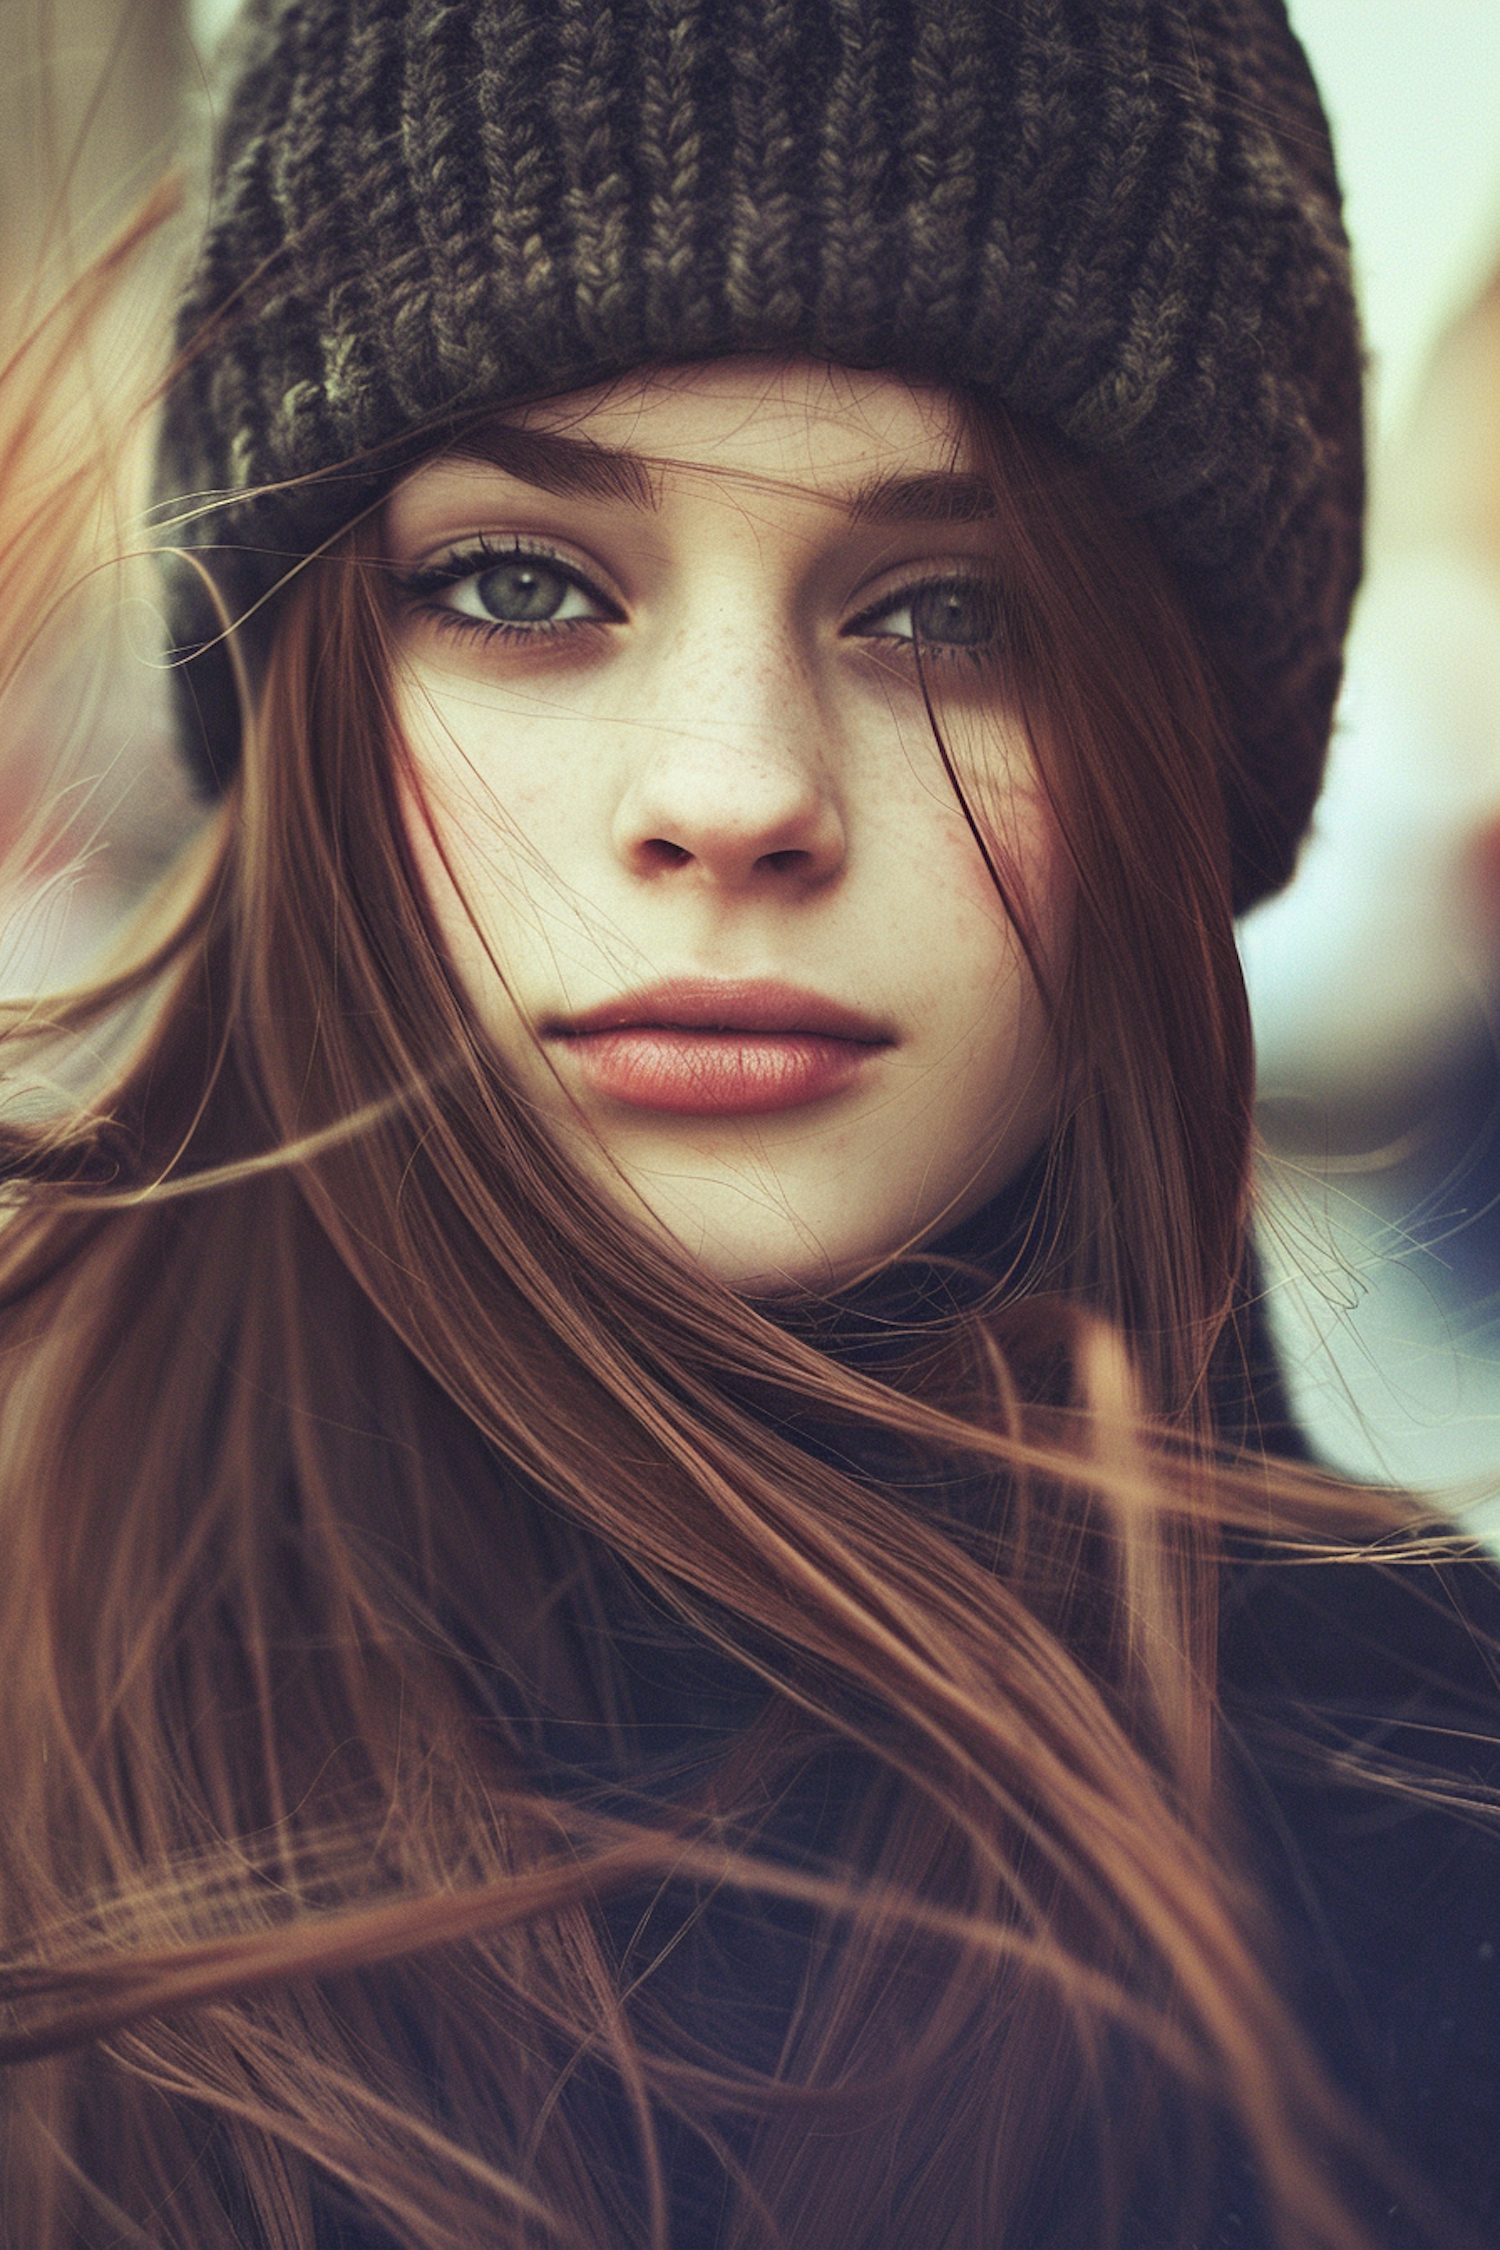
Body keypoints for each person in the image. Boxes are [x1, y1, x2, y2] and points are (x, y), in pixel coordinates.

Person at [0, 3, 1496, 2247]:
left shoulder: (1439, 1844)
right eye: (520, 585)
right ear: (297, 671)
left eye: (947, 613)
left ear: (1192, 752)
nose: (732, 792)